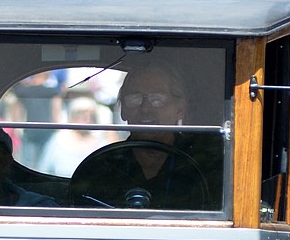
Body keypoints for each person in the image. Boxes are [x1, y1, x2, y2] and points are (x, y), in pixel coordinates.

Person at [74, 60, 217, 209]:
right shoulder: (101, 167)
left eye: (157, 100)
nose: (145, 108)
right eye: (135, 99)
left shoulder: (204, 167)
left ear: (180, 109)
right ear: (123, 110)